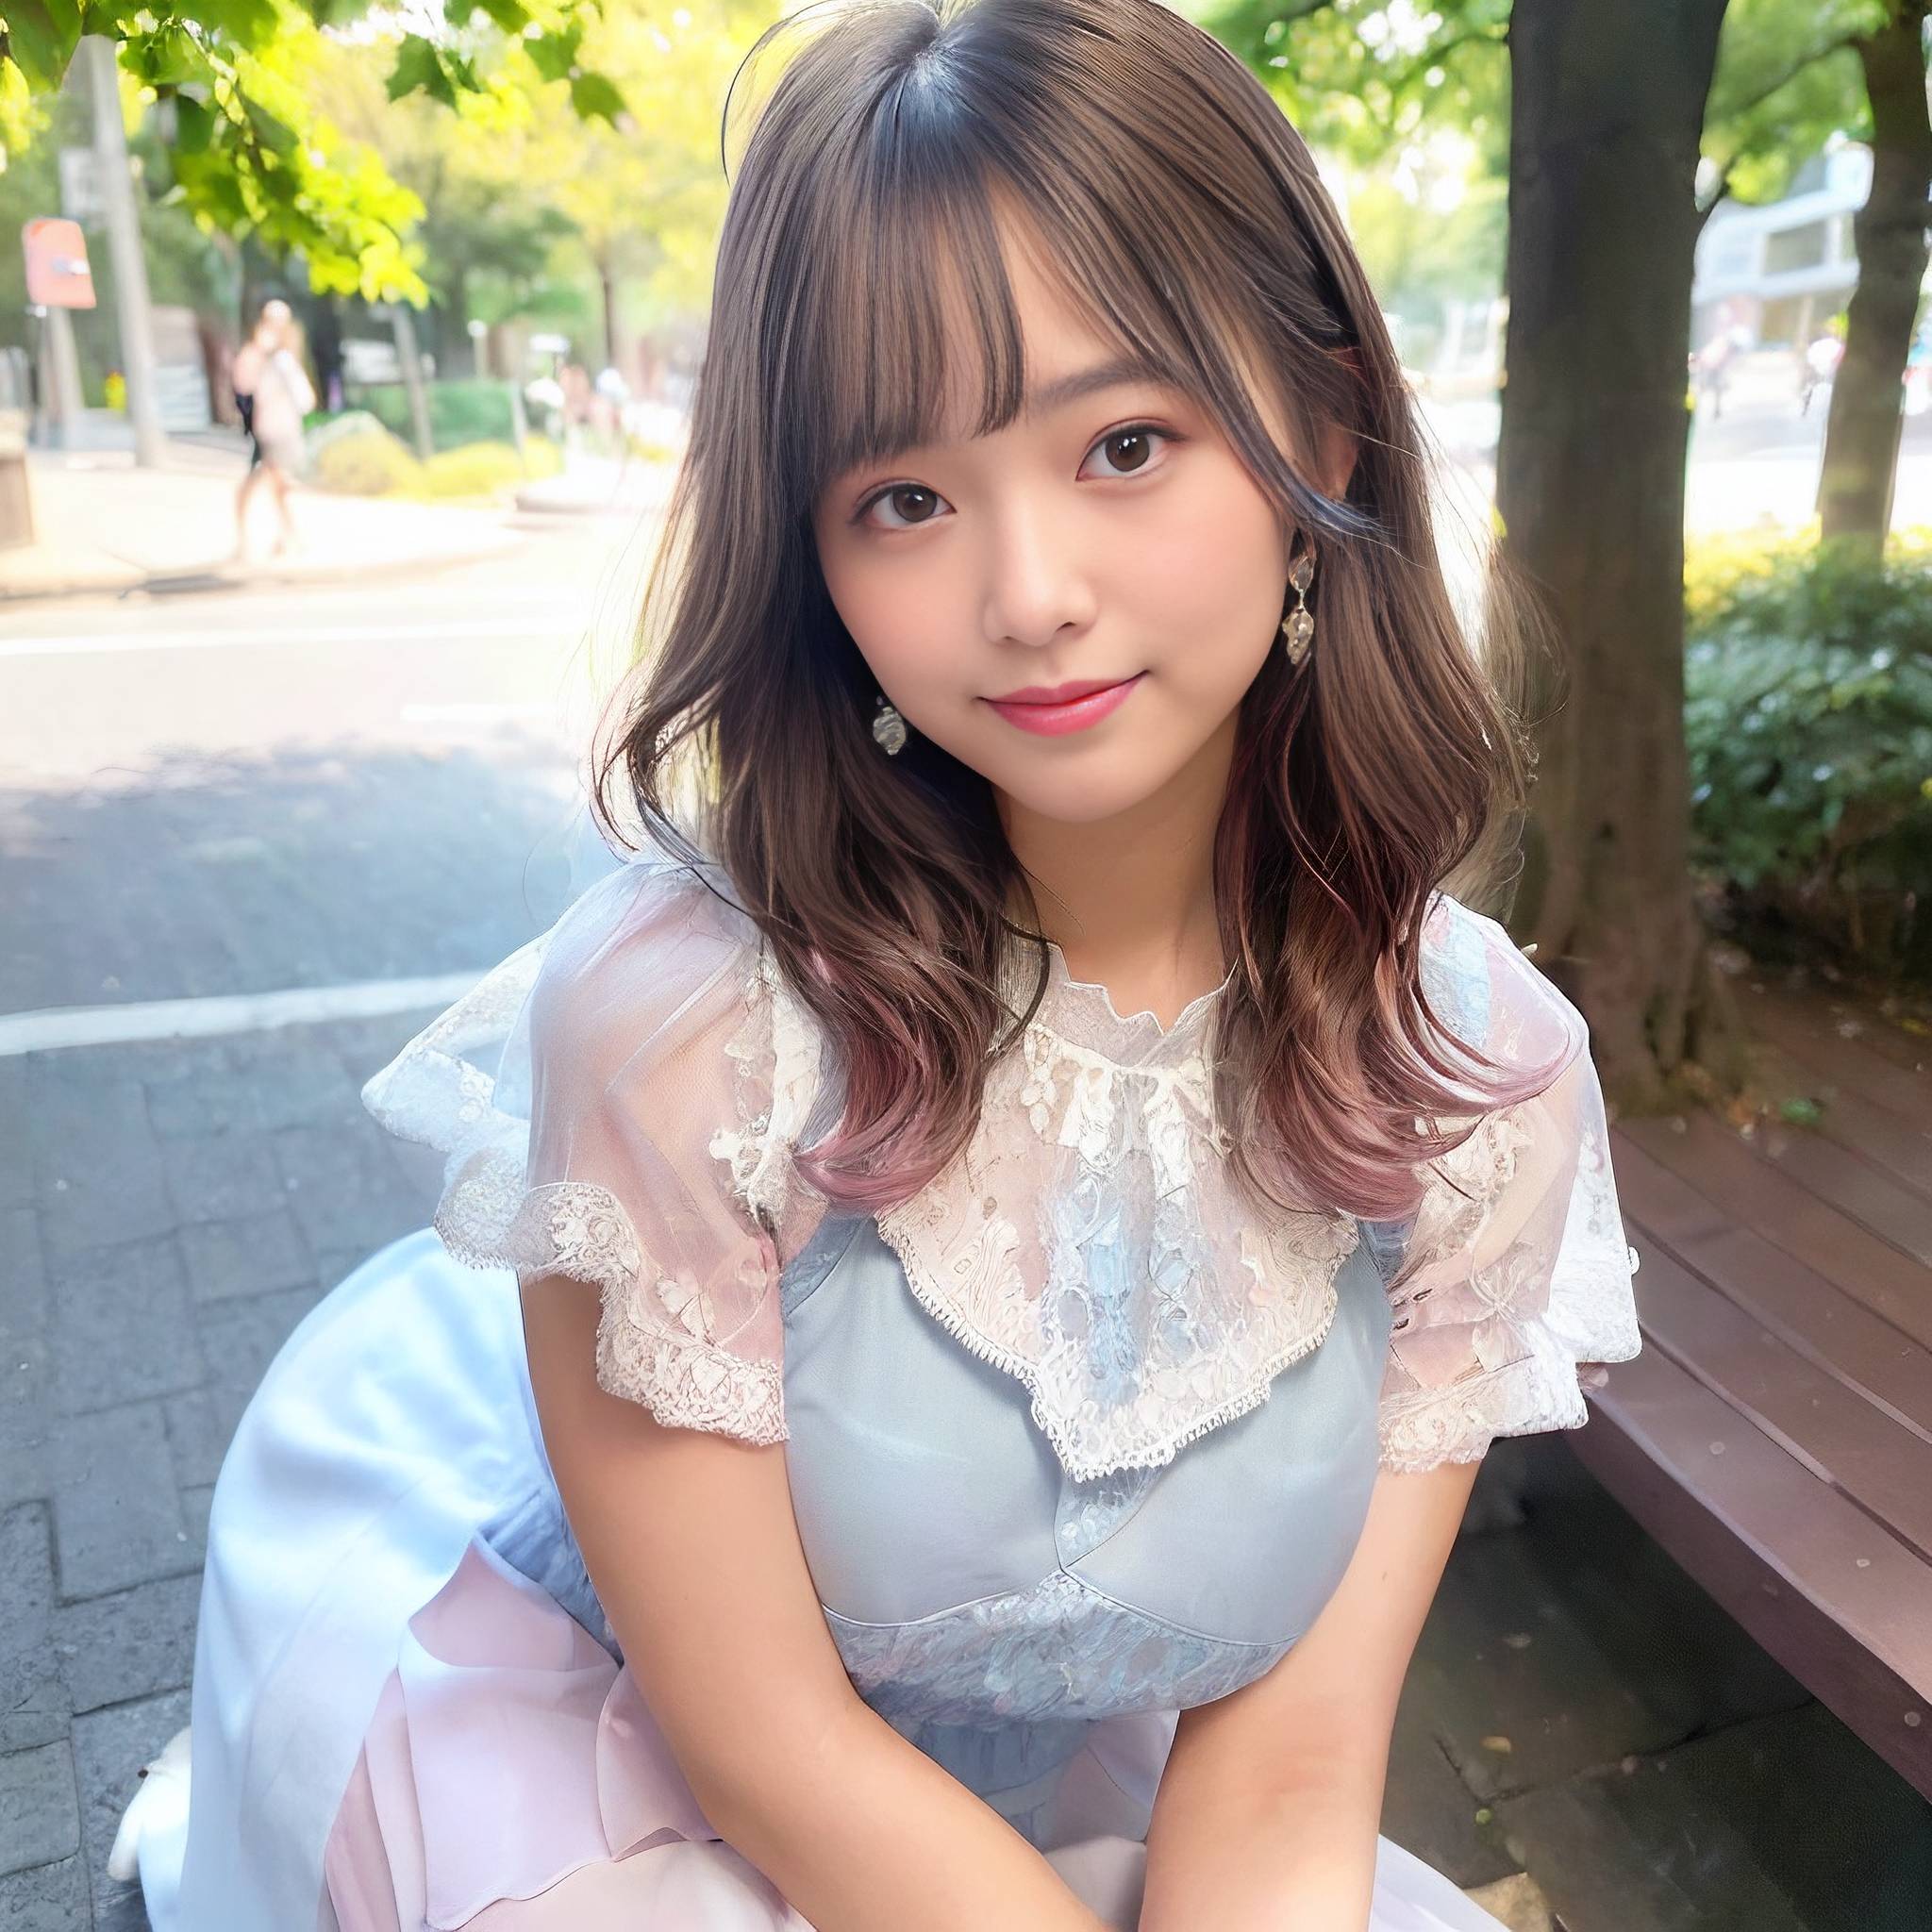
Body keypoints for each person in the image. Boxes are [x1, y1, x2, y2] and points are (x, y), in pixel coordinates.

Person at [119, 1, 1643, 1926]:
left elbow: (1295, 1766)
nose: (1025, 595)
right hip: (623, 1756)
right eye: (904, 499)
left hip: (1006, 1789)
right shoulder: (691, 1029)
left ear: (1321, 428)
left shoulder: (1480, 1079)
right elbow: (762, 1743)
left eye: (1124, 442)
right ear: (816, 557)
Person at [230, 296, 317, 558]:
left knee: (277, 486)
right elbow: (243, 383)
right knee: (271, 486)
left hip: (279, 432)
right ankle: (272, 538)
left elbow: (305, 400)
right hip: (267, 433)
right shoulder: (261, 354)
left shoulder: (284, 359)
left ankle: (282, 537)